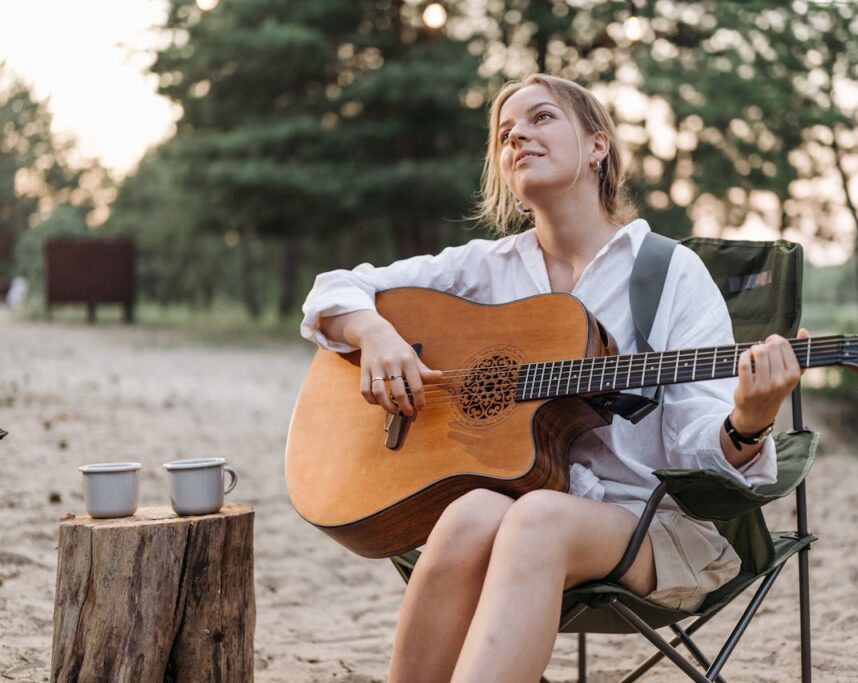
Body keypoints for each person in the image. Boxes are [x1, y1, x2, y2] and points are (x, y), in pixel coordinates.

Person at [300, 74, 805, 683]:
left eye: (540, 119)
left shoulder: (668, 272)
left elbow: (700, 442)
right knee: (468, 517)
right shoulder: (486, 269)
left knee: (536, 517)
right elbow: (335, 289)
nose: (517, 136)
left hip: (649, 524)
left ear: (597, 146)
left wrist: (749, 421)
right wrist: (376, 335)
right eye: (505, 133)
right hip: (521, 507)